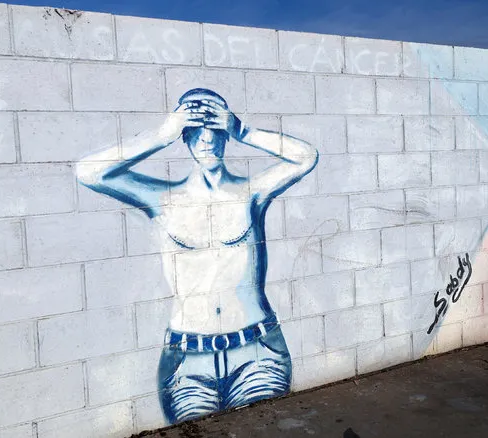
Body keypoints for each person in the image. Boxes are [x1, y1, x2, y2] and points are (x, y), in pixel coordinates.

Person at [76, 88, 318, 424]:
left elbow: (306, 157)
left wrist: (243, 130)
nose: (206, 140)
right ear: (184, 138)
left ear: (225, 134)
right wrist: (162, 135)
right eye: (195, 131)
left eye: (214, 130)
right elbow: (89, 172)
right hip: (187, 362)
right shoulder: (163, 200)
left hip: (257, 351)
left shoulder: (249, 193)